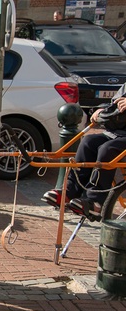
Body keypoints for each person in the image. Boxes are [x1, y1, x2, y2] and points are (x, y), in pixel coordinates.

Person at [42, 85, 126, 220]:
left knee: (107, 149)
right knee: (88, 142)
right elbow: (113, 103)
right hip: (118, 132)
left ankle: (95, 202)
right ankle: (70, 191)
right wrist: (100, 110)